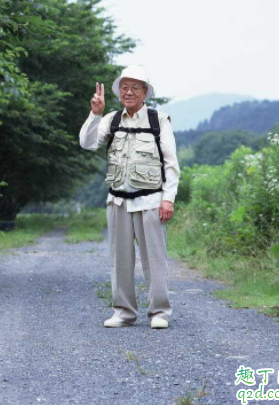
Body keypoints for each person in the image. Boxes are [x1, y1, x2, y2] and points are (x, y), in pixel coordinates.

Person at [79, 65, 180, 329]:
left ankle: (159, 312)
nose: (129, 92)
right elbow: (87, 143)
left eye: (135, 87)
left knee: (154, 259)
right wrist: (94, 114)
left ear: (145, 92)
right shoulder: (111, 120)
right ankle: (123, 311)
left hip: (150, 201)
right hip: (118, 202)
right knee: (120, 259)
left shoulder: (159, 120)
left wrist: (168, 198)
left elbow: (170, 164)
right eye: (125, 87)